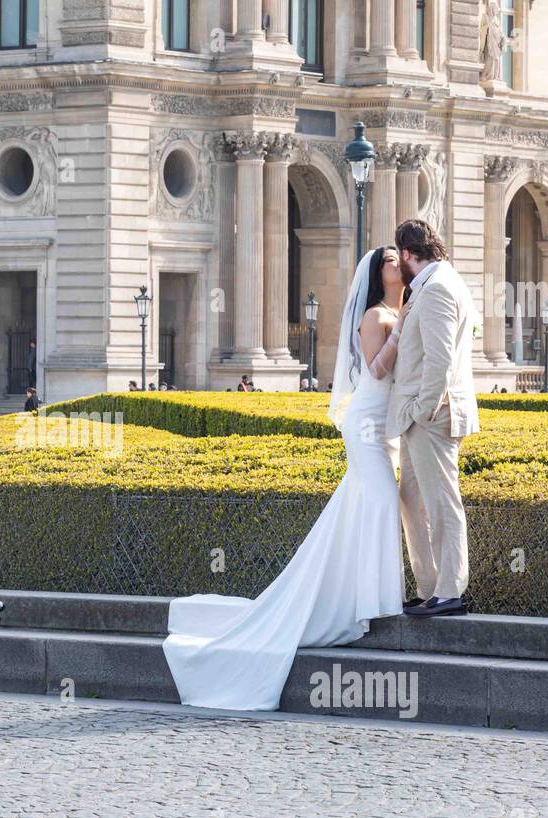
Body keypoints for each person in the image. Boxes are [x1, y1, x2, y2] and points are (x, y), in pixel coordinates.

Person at [164, 245, 409, 710]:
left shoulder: (400, 309)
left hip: (387, 425)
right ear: (380, 274)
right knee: (378, 500)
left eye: (400, 258)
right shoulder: (376, 316)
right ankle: (378, 602)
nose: (399, 264)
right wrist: (401, 334)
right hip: (366, 425)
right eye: (391, 260)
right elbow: (376, 370)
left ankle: (363, 597)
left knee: (363, 506)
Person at [386, 219, 480, 618]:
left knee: (442, 503)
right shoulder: (436, 284)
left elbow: (440, 360)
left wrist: (422, 410)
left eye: (399, 257)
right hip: (421, 416)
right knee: (411, 498)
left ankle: (449, 590)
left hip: (431, 416)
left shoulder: (438, 288)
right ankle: (430, 586)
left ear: (407, 254)